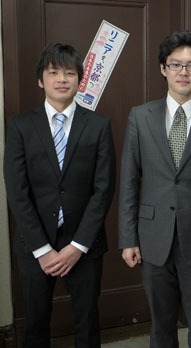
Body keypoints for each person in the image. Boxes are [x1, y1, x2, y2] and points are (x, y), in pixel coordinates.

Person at [118, 30, 191, 348]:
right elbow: (129, 182)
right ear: (163, 68)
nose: (183, 72)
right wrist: (128, 237)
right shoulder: (140, 117)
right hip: (152, 238)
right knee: (160, 326)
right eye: (175, 65)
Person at [3, 43, 116, 348]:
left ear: (80, 79)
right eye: (53, 72)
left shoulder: (99, 125)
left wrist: (78, 245)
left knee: (87, 321)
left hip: (84, 242)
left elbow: (103, 189)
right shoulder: (21, 126)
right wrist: (43, 249)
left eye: (69, 73)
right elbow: (17, 191)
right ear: (41, 80)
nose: (62, 79)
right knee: (36, 323)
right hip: (34, 244)